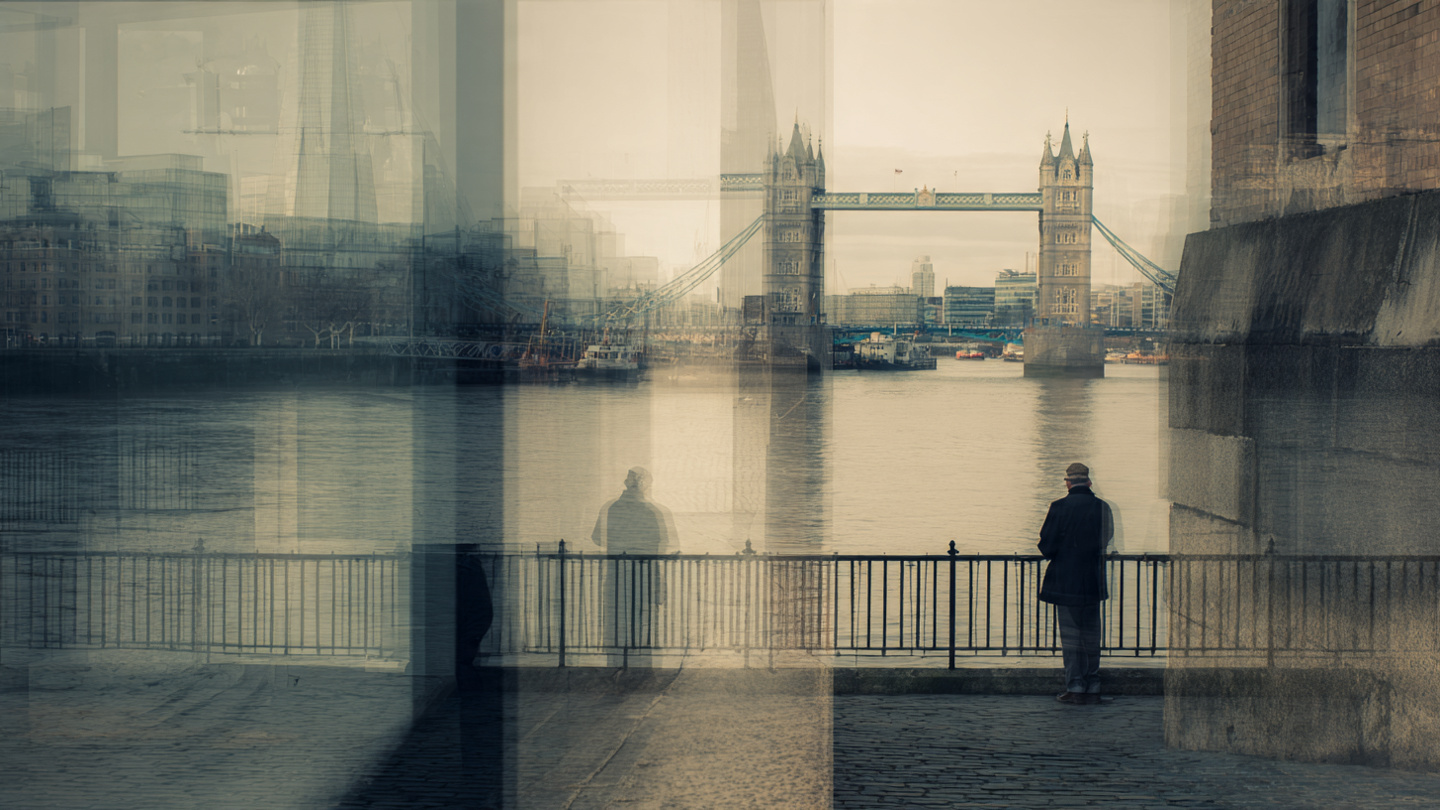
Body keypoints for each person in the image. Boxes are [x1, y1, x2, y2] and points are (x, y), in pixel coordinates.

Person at [1038, 462, 1114, 705]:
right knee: (1092, 635)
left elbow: (1047, 546)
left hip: (1065, 582)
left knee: (1070, 637)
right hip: (1092, 579)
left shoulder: (1058, 507)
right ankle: (1093, 685)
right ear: (1089, 483)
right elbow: (1106, 536)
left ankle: (1075, 686)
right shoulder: (1102, 507)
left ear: (1068, 483)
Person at [591, 467, 676, 667]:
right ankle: (643, 667)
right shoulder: (655, 511)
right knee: (644, 621)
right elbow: (667, 543)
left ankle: (616, 666)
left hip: (617, 575)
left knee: (617, 620)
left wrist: (621, 543)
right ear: (646, 485)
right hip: (645, 576)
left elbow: (596, 538)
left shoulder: (610, 508)